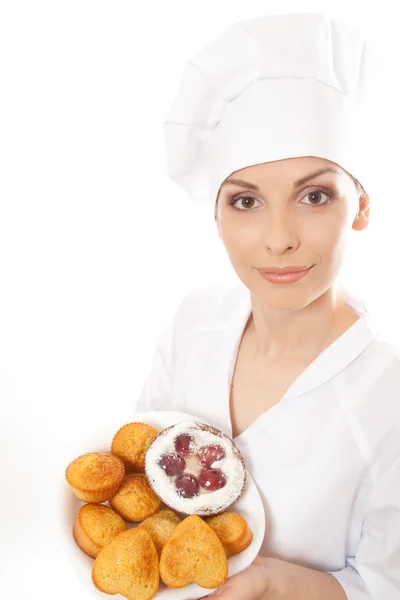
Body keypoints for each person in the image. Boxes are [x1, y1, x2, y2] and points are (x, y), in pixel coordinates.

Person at [134, 12, 400, 600]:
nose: (279, 237)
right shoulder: (193, 324)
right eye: (247, 201)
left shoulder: (390, 401)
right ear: (217, 217)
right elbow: (136, 471)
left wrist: (276, 584)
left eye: (314, 196)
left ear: (360, 207)